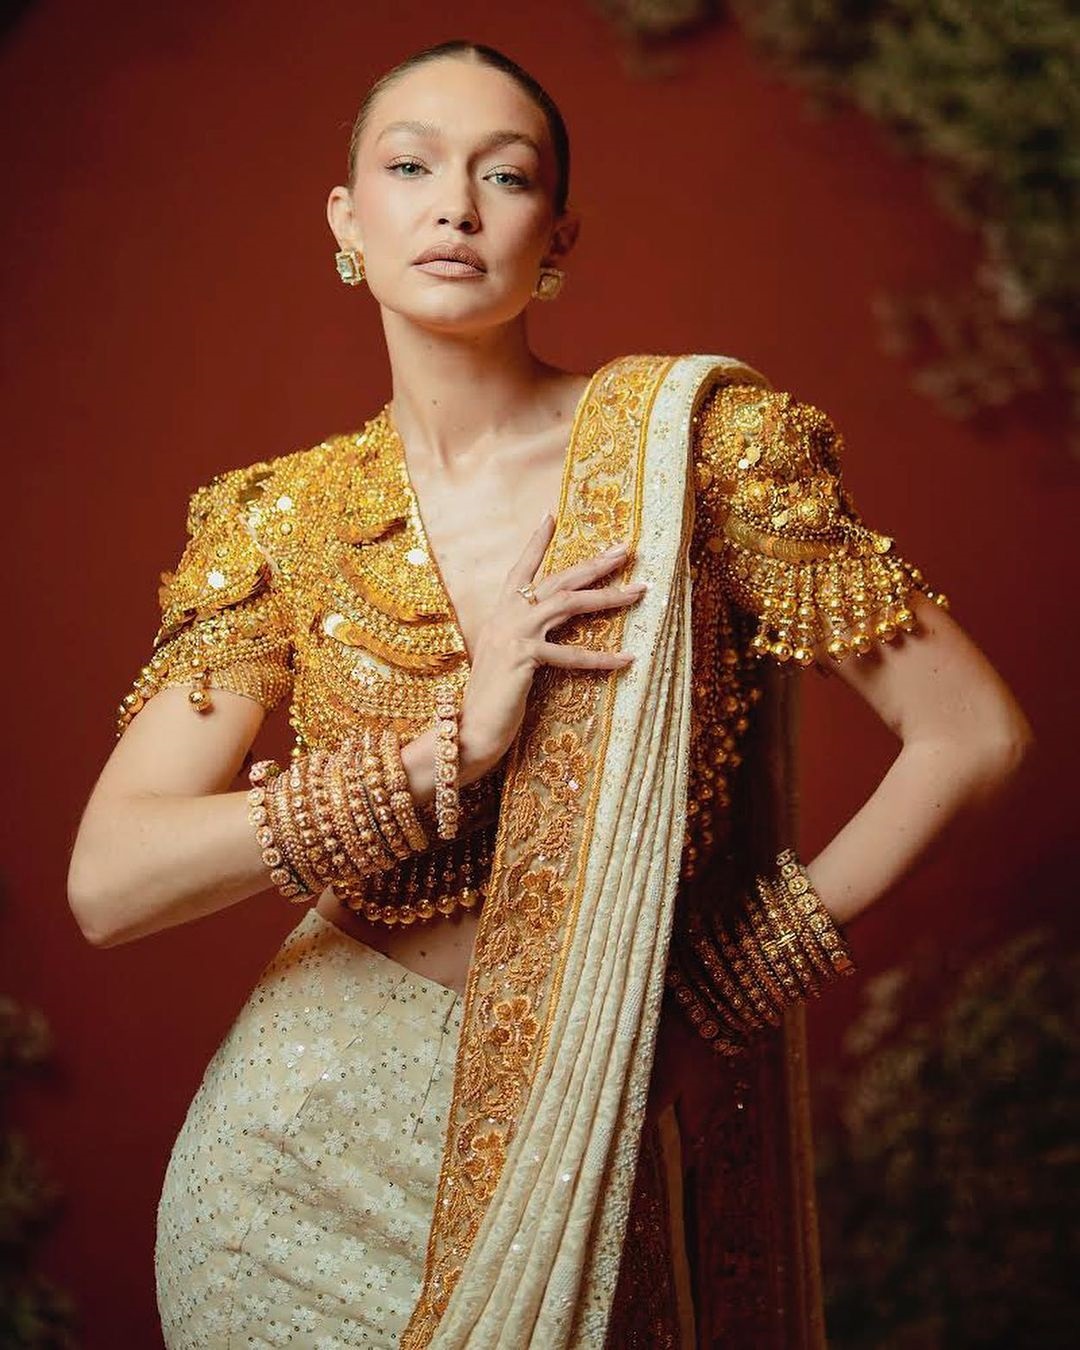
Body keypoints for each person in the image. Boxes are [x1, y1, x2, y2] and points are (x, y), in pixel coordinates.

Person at [67, 38, 1032, 1350]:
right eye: (411, 167)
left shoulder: (694, 452)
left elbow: (971, 737)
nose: (456, 207)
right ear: (347, 220)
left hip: (585, 1132)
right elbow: (111, 881)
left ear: (558, 232)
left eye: (505, 175)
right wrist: (445, 752)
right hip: (290, 1168)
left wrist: (719, 998)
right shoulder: (278, 520)